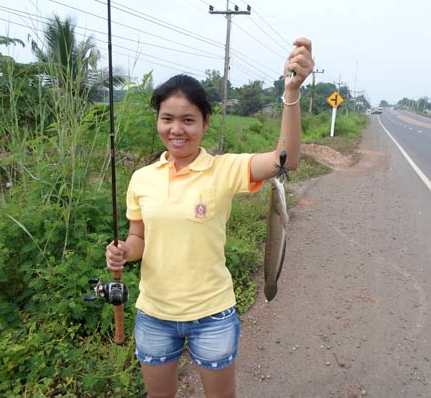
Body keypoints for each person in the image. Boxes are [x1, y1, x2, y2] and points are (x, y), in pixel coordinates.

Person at [106, 37, 314, 398]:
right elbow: (139, 239)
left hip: (213, 316)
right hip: (154, 314)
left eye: (188, 119)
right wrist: (125, 251)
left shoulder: (224, 169)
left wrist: (291, 93)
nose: (176, 129)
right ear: (157, 120)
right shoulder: (142, 178)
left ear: (204, 122)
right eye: (167, 119)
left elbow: (286, 160)